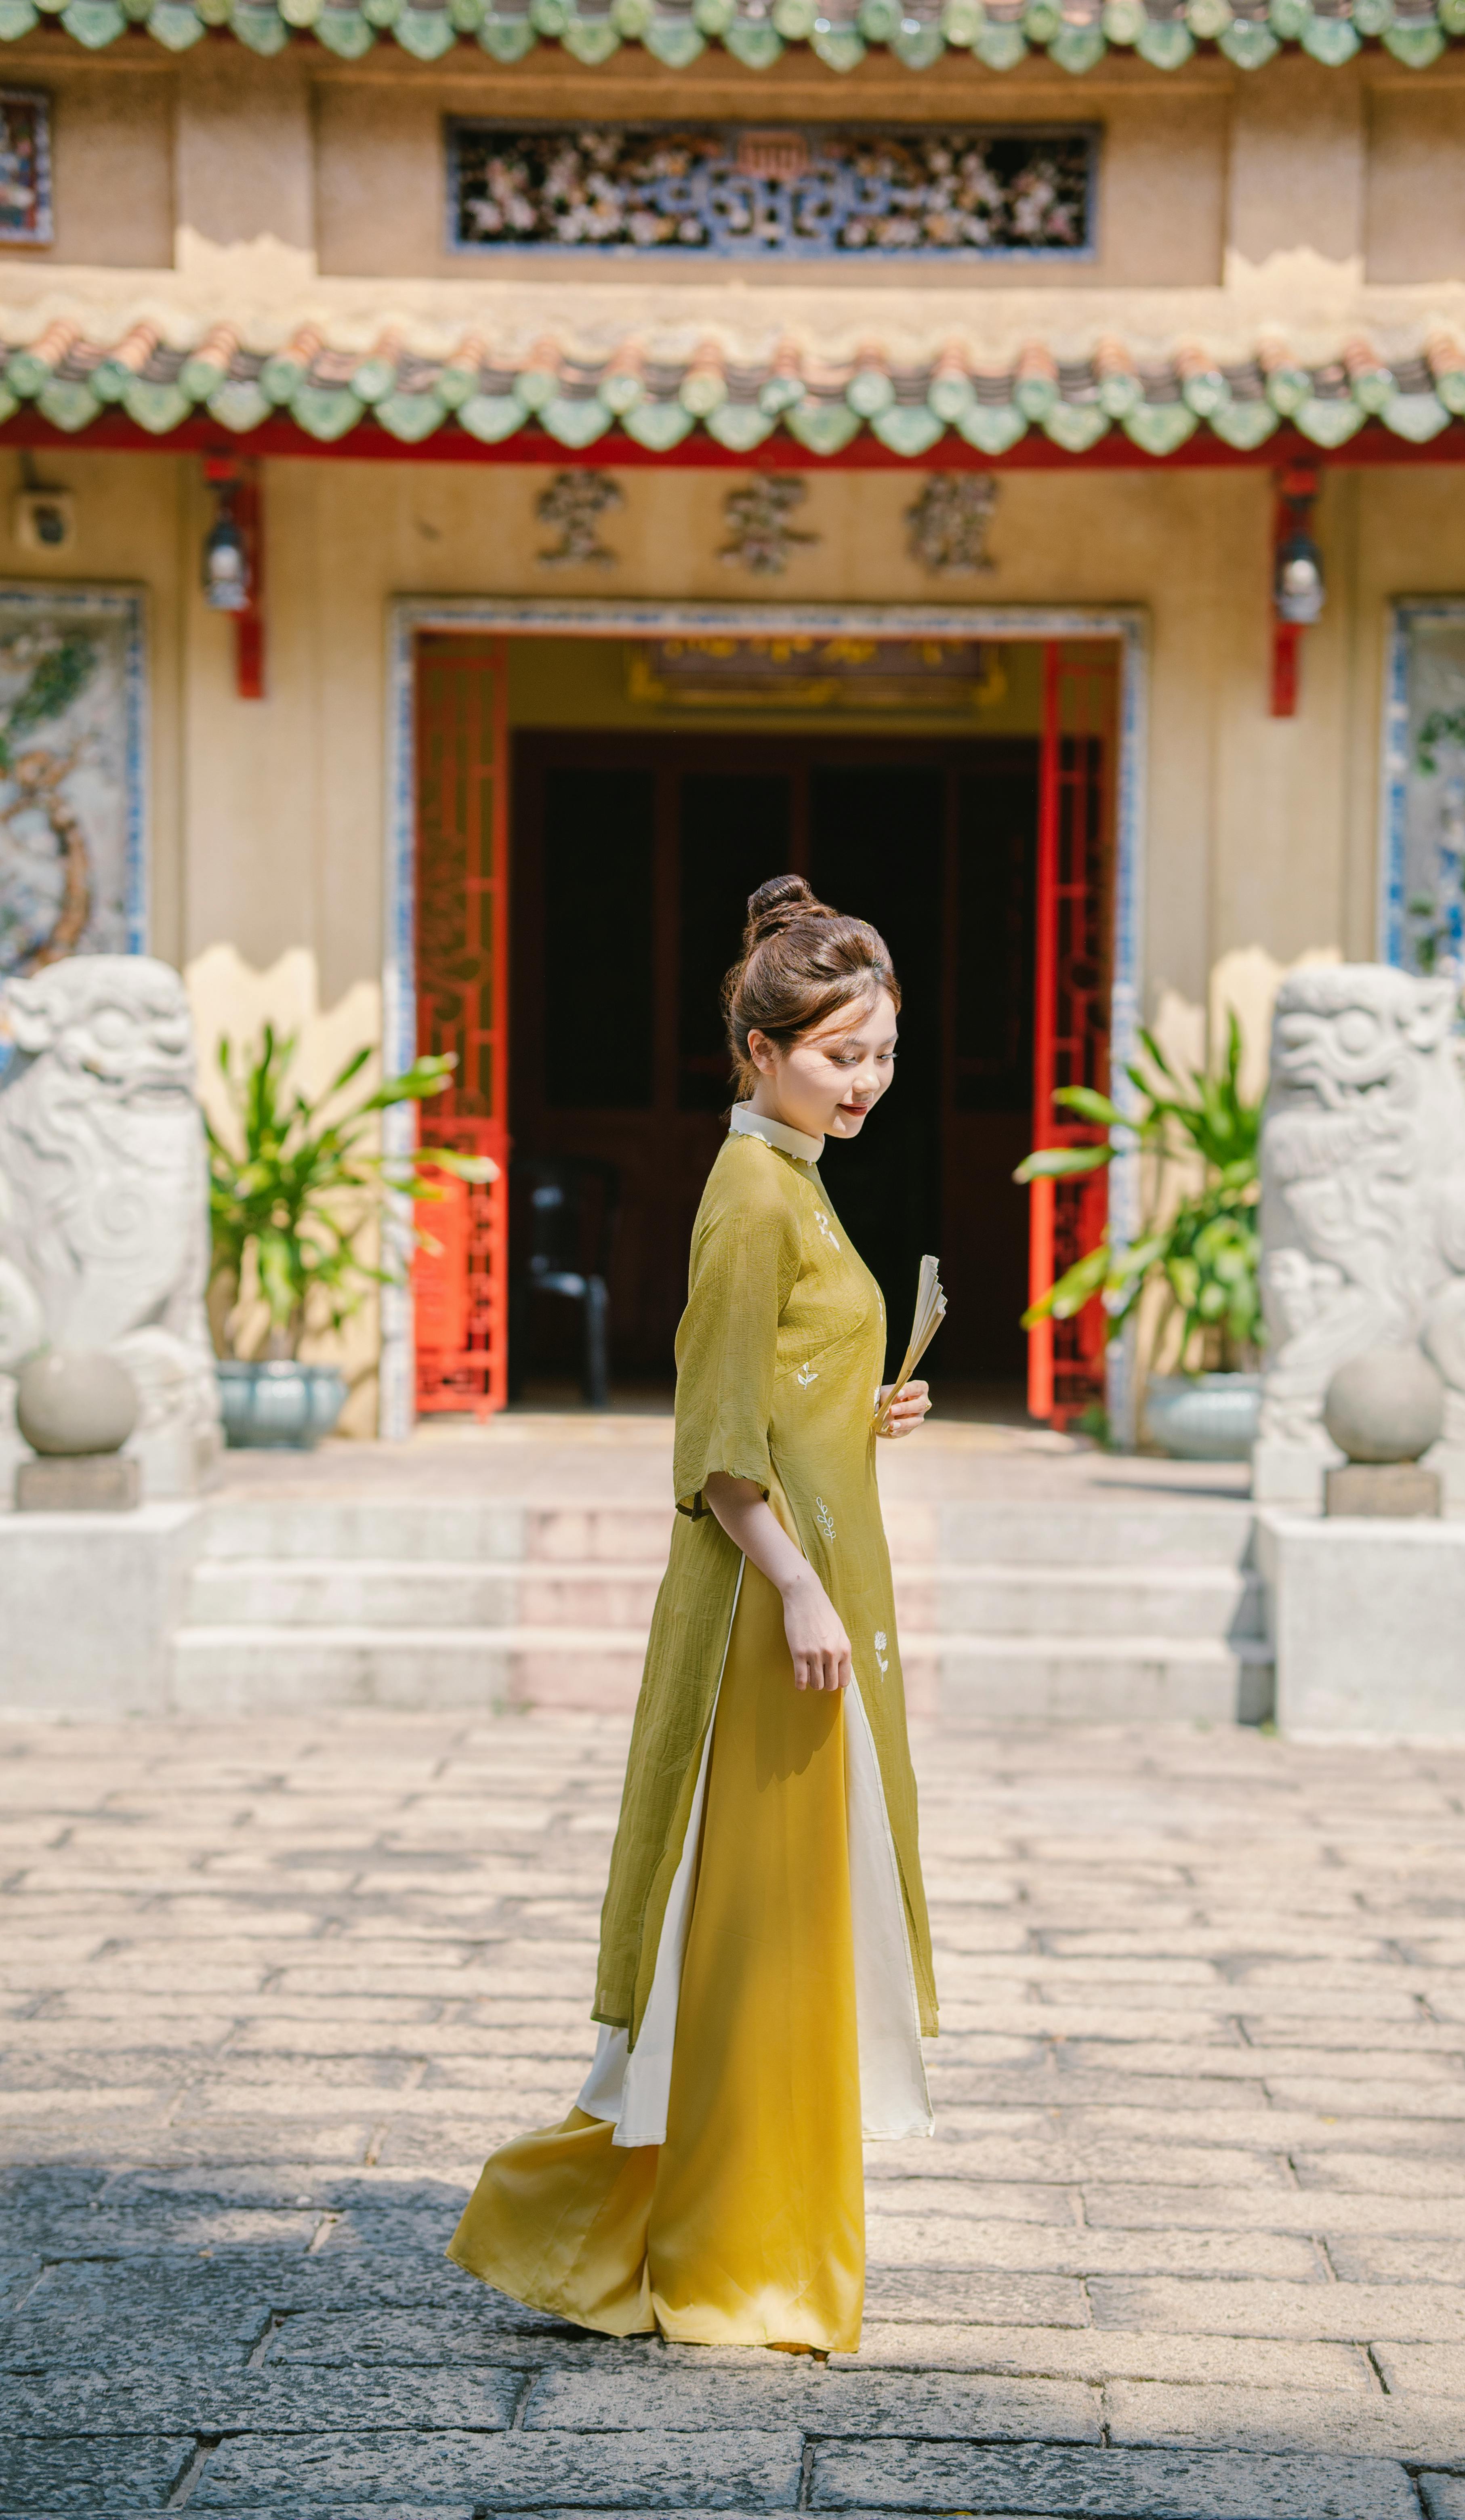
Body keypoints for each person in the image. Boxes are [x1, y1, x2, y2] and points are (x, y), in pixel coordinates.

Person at [446, 873, 937, 2356]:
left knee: (781, 1936)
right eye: (845, 1054)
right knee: (754, 1940)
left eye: (887, 1054)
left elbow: (783, 1388)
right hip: (766, 1614)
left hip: (811, 1593)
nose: (870, 1082)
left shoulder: (793, 1181)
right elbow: (716, 1436)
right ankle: (734, 2251)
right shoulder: (749, 1195)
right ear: (764, 1049)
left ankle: (708, 2232)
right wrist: (794, 1585)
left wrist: (865, 1403)